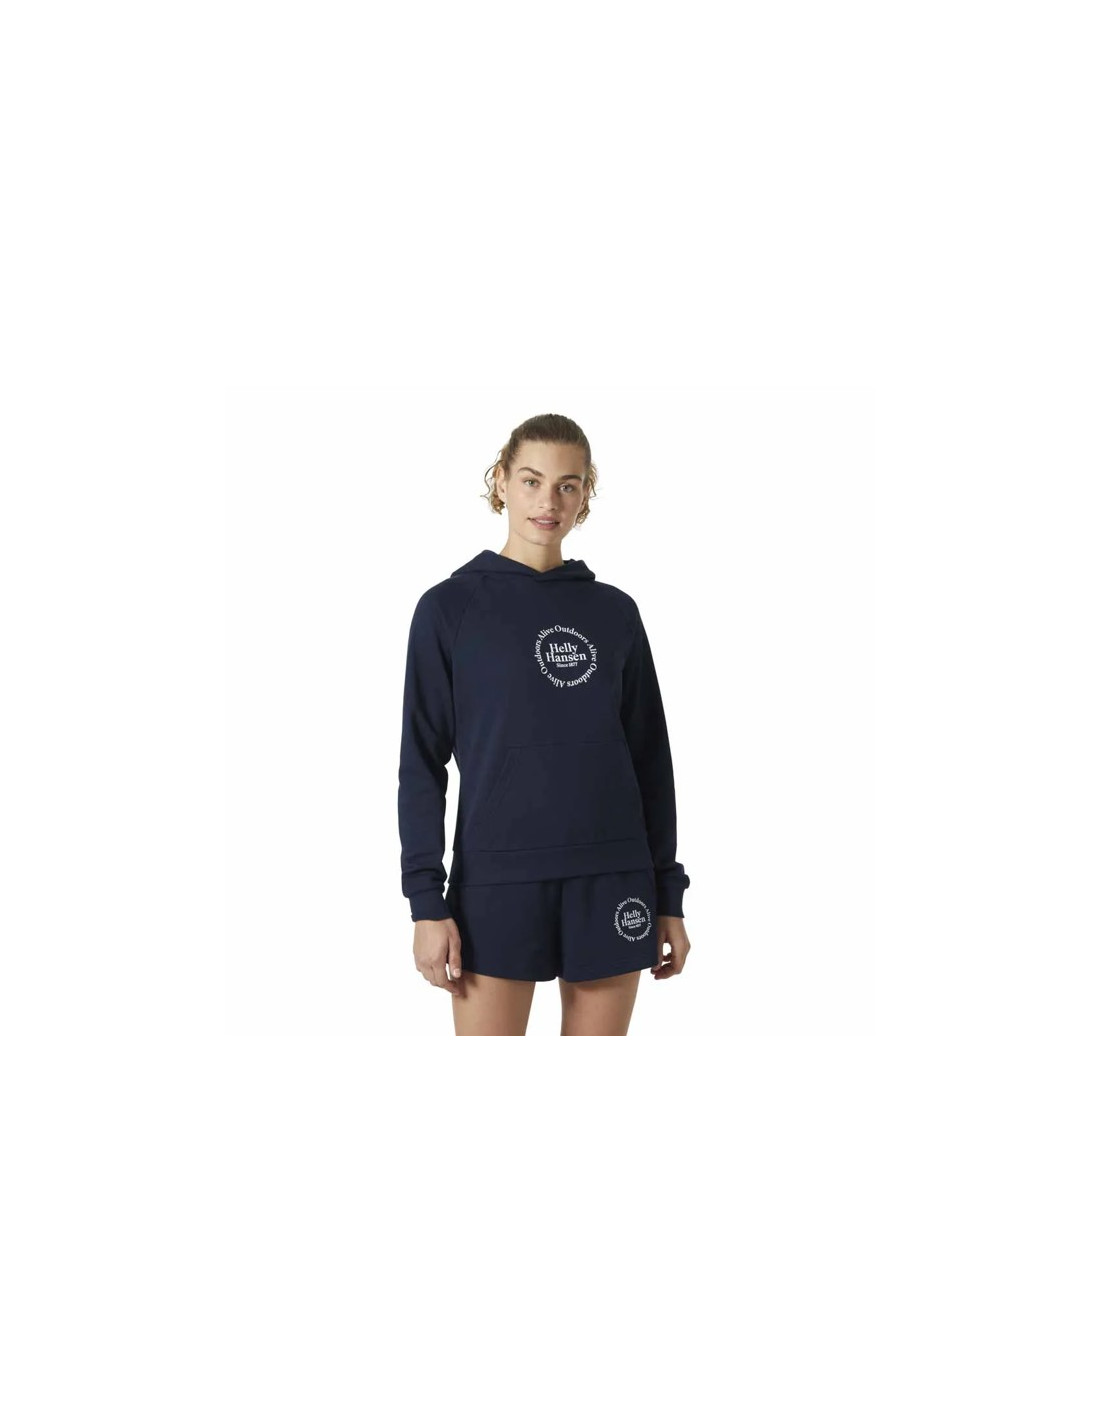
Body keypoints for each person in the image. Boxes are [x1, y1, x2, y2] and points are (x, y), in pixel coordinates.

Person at [397, 413, 691, 1035]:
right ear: (500, 481)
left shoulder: (615, 612)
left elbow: (650, 762)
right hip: (496, 881)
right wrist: (425, 901)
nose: (548, 502)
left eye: (567, 485)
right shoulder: (449, 609)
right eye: (531, 481)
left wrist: (668, 893)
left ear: (586, 494)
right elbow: (421, 762)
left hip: (612, 875)